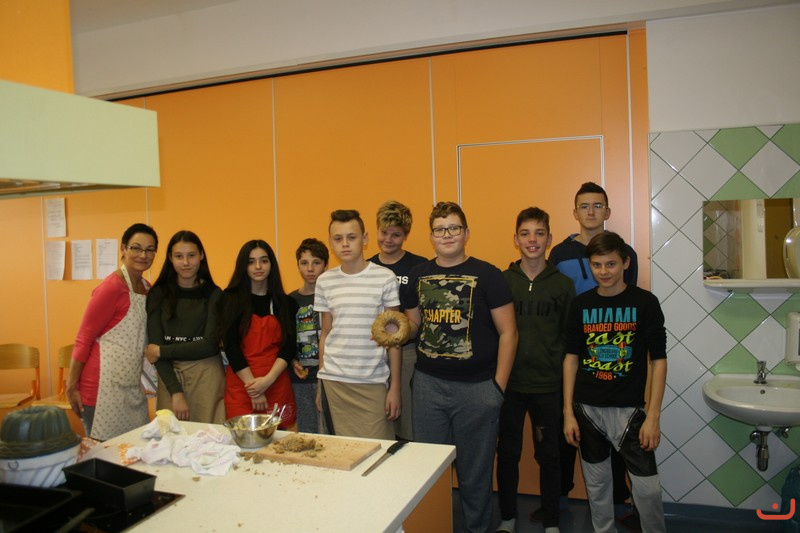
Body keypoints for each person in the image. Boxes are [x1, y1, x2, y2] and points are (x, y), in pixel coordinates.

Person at [401, 201, 518, 533]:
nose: (447, 234)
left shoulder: (489, 275)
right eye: (440, 229)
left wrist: (497, 389)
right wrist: (398, 329)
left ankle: (477, 529)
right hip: (428, 386)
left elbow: (509, 332)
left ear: (466, 233)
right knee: (429, 470)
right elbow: (414, 325)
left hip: (478, 389)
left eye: (454, 228)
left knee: (475, 474)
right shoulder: (418, 275)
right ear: (431, 236)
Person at [546, 181, 638, 524]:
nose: (591, 211)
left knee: (617, 432)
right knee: (567, 426)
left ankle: (619, 500)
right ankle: (559, 497)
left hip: (612, 355)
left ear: (607, 211)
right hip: (572, 353)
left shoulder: (624, 251)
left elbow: (629, 300)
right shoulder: (560, 254)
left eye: (597, 205)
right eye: (584, 206)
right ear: (575, 212)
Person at [563, 231, 667, 533]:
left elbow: (658, 360)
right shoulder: (581, 305)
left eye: (610, 264)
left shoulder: (645, 303)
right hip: (587, 409)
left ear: (625, 263)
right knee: (597, 487)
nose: (603, 272)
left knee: (648, 490)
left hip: (630, 412)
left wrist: (653, 416)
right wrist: (568, 412)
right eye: (596, 265)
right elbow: (570, 359)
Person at [496, 208, 575, 533]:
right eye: (525, 233)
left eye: (539, 233)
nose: (532, 240)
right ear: (515, 239)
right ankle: (507, 518)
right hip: (510, 386)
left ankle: (552, 521)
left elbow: (569, 339)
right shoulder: (503, 281)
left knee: (549, 456)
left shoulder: (563, 285)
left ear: (549, 239)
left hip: (547, 387)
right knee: (508, 453)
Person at [315, 209, 401, 439]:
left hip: (372, 381)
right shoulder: (324, 281)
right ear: (330, 242)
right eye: (338, 238)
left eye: (351, 237)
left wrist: (395, 388)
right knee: (339, 451)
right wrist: (320, 382)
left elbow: (394, 338)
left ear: (364, 239)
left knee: (378, 452)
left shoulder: (385, 278)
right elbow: (325, 333)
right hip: (334, 381)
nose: (345, 244)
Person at [67, 223, 158, 440]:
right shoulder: (111, 287)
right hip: (100, 388)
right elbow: (84, 338)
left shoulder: (147, 289)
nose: (143, 255)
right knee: (104, 453)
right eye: (136, 248)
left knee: (135, 449)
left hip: (131, 386)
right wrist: (71, 386)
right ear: (123, 249)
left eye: (149, 250)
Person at [145, 230, 225, 423]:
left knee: (210, 437)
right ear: (170, 258)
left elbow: (209, 345)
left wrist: (162, 351)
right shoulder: (158, 294)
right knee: (171, 437)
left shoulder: (214, 294)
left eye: (191, 255)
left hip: (207, 377)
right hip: (170, 378)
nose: (186, 263)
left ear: (201, 255)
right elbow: (154, 345)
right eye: (179, 256)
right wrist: (176, 391)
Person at [367, 200, 427, 440]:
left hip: (407, 352)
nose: (388, 239)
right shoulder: (368, 266)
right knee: (377, 422)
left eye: (396, 234)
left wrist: (398, 333)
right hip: (373, 352)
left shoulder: (418, 267)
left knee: (406, 422)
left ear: (406, 235)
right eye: (384, 232)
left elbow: (420, 319)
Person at [222, 240, 297, 429]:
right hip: (242, 385)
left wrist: (268, 381)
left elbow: (289, 347)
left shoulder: (285, 303)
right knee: (243, 439)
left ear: (271, 264)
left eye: (264, 261)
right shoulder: (229, 300)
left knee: (280, 441)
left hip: (276, 382)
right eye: (251, 262)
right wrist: (254, 389)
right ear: (243, 266)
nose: (258, 267)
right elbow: (231, 347)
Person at [289, 238, 329, 433]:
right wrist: (292, 360)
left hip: (328, 376)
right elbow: (286, 339)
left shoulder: (331, 298)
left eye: (316, 262)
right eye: (304, 263)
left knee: (328, 431)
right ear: (298, 265)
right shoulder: (290, 300)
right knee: (307, 431)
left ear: (326, 265)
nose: (310, 269)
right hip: (301, 378)